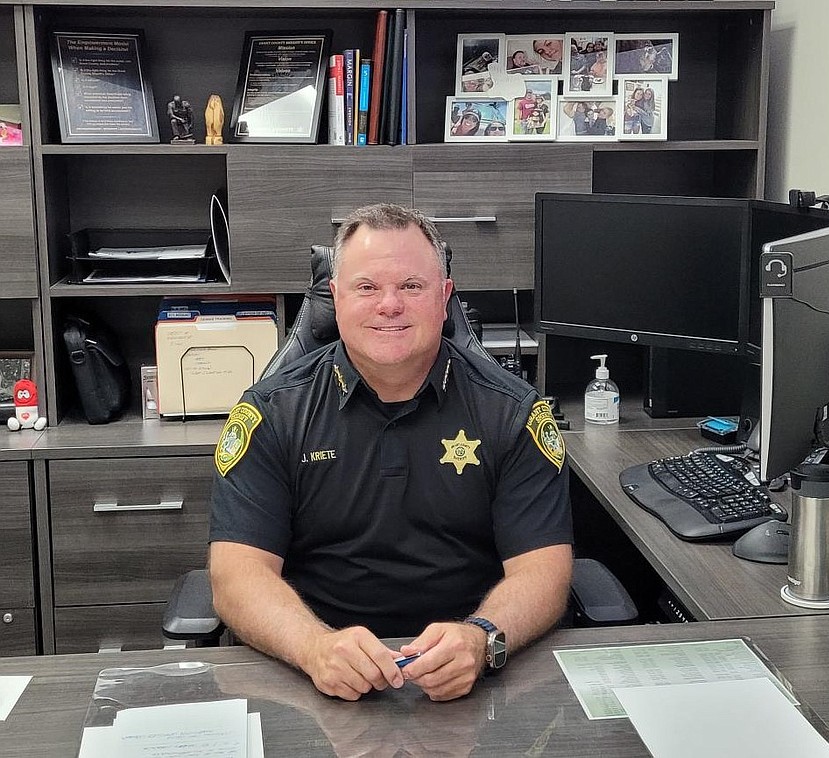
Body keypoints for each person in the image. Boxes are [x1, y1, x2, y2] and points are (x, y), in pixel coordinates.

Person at [208, 203, 574, 703]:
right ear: (333, 299)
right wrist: (315, 648)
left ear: (444, 298)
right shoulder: (272, 413)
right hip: (311, 672)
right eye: (366, 288)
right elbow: (237, 575)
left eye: (412, 286)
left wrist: (482, 638)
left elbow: (544, 571)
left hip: (473, 679)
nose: (389, 305)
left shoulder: (512, 413)